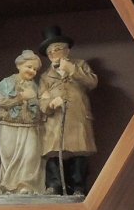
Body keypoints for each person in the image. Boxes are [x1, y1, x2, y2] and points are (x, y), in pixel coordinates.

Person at [37, 26, 98, 197]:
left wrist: (72, 71)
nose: (53, 53)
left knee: (78, 151)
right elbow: (41, 100)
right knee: (55, 153)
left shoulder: (80, 65)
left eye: (57, 49)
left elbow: (92, 82)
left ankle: (78, 186)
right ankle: (54, 185)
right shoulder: (45, 76)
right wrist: (50, 104)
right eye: (50, 51)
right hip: (55, 120)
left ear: (67, 50)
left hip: (77, 117)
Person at [0, 50, 44, 196]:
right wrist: (21, 97)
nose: (32, 71)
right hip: (9, 124)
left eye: (35, 69)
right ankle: (7, 187)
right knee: (9, 156)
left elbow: (40, 106)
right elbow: (2, 102)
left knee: (30, 156)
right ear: (19, 65)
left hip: (31, 126)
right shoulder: (7, 82)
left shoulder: (35, 86)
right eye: (29, 67)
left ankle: (25, 186)